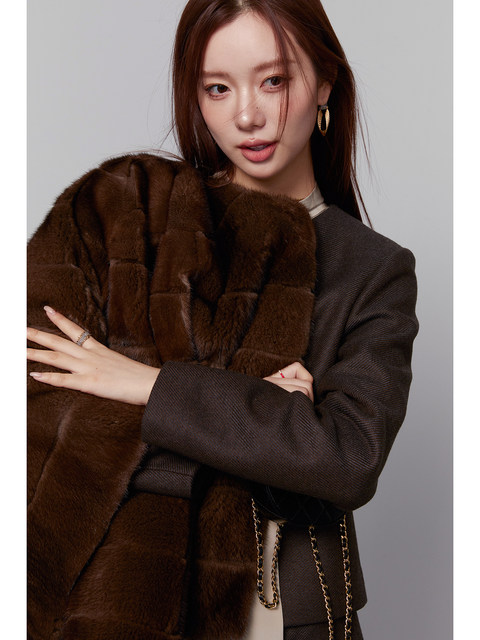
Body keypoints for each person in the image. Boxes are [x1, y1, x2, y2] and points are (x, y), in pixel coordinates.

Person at [26, 1, 418, 639]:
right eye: (217, 88)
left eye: (274, 80)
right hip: (120, 603)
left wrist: (149, 385)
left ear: (325, 83)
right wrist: (270, 422)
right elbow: (39, 420)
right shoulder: (125, 214)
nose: (246, 115)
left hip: (281, 609)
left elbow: (347, 460)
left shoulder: (373, 270)